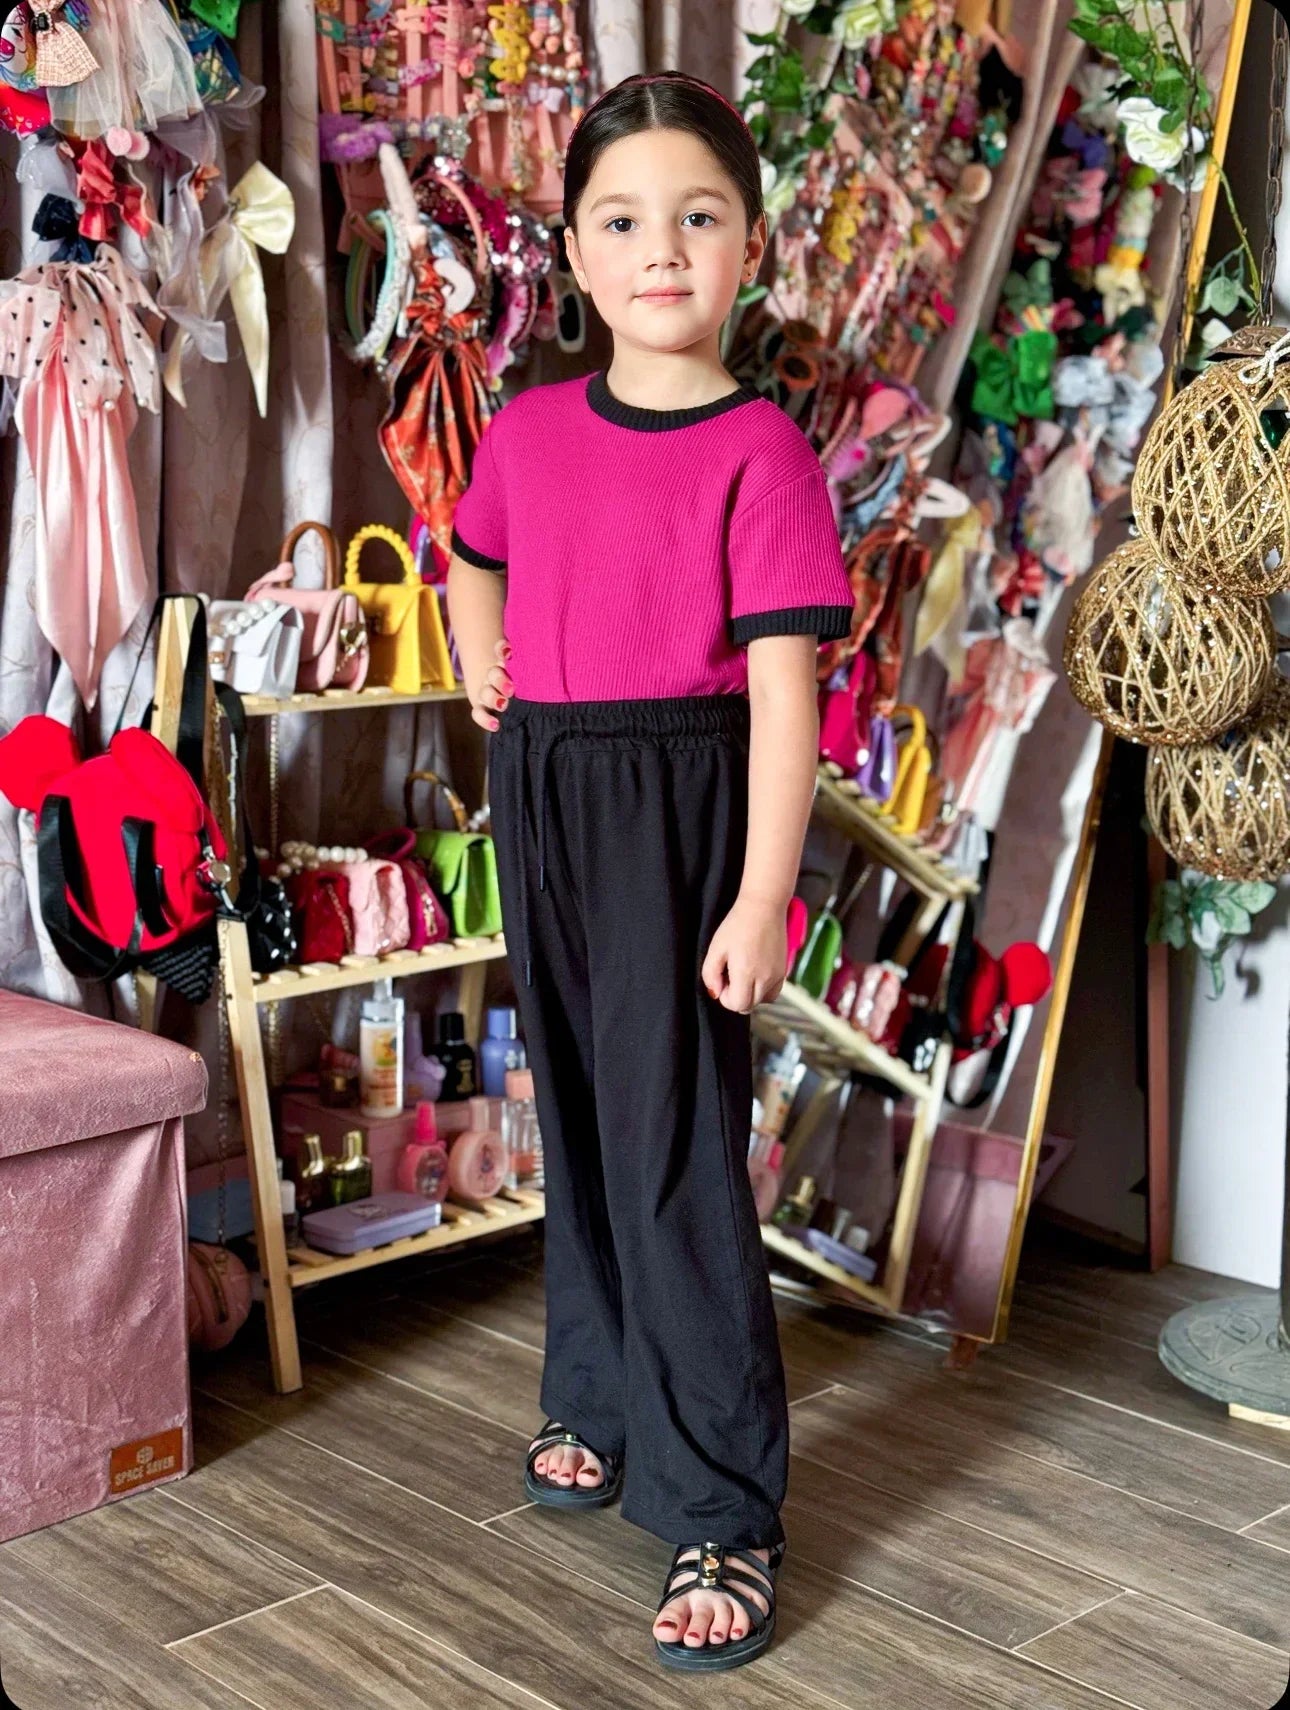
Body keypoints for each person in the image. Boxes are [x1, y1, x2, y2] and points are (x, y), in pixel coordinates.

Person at [446, 69, 854, 1673]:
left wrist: (759, 896)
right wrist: (486, 670)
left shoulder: (763, 451)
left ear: (746, 246)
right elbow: (470, 552)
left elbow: (783, 699)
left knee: (678, 1145)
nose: (660, 248)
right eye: (623, 219)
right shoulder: (531, 425)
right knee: (582, 1114)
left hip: (680, 806)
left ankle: (721, 1502)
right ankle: (595, 1397)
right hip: (541, 785)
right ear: (573, 248)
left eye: (696, 217)